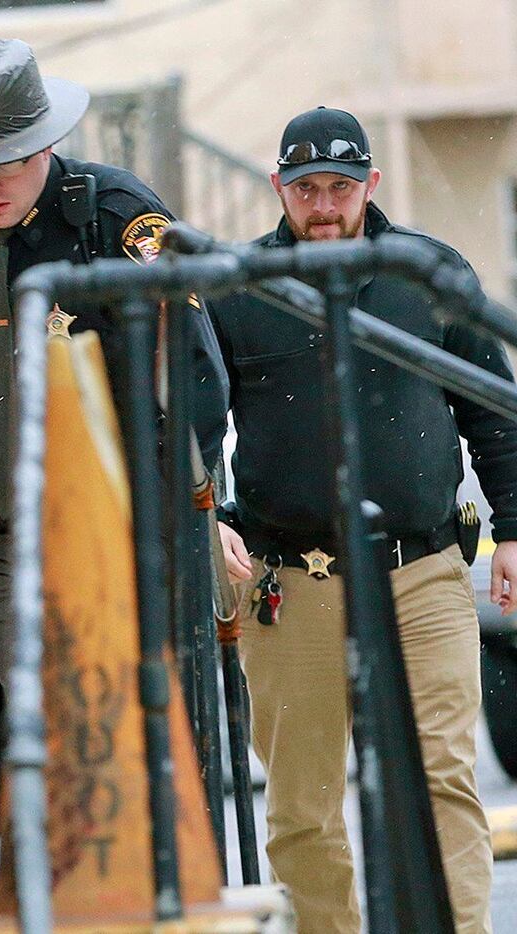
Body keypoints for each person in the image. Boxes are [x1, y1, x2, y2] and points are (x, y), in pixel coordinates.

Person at [212, 106, 512, 934]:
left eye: (340, 187)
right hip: (290, 580)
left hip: (424, 571)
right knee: (303, 802)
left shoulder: (425, 272)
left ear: (369, 185)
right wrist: (205, 516)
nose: (323, 205)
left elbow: (493, 408)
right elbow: (194, 420)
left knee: (444, 779)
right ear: (279, 189)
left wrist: (515, 525)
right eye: (305, 188)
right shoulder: (238, 287)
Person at [0, 39, 229, 684]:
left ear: (45, 145)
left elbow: (194, 369)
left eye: (6, 161)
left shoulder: (115, 217)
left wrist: (198, 506)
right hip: (9, 524)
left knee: (147, 738)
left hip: (123, 521)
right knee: (45, 739)